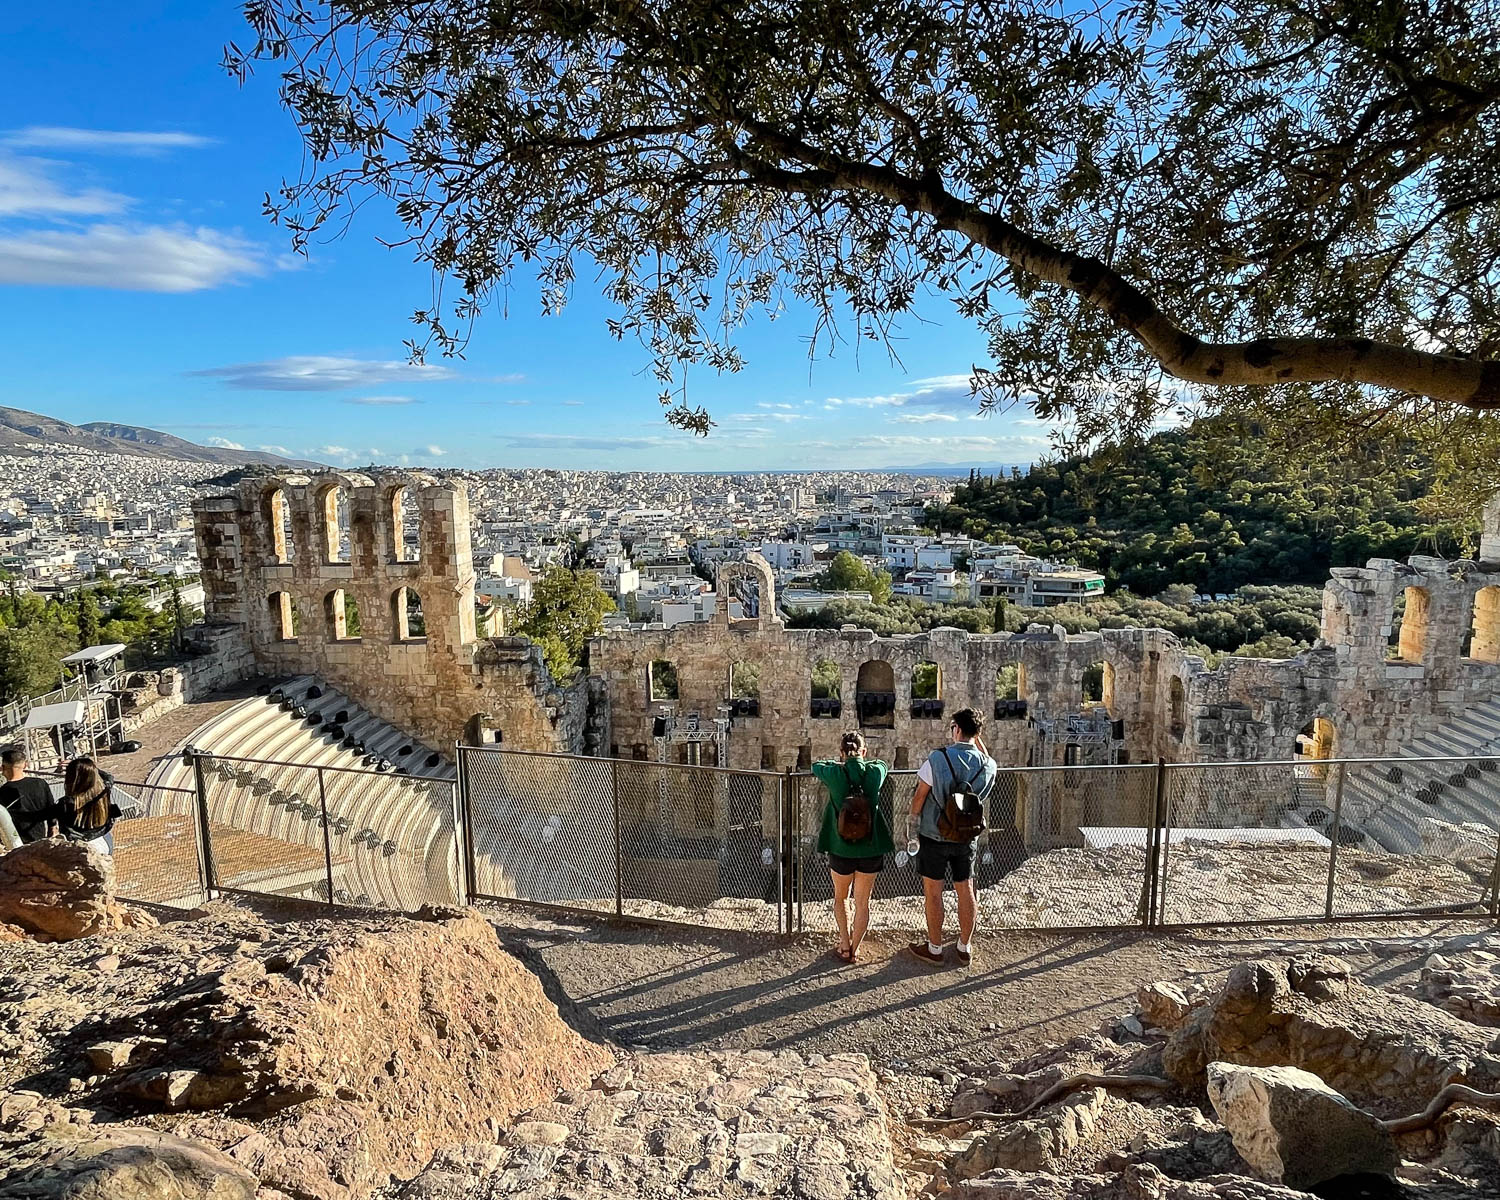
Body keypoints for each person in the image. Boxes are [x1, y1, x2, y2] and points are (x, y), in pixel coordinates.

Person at [908, 708, 996, 967]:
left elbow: (919, 797)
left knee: (933, 893)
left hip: (934, 835)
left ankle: (935, 948)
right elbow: (988, 760)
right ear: (978, 733)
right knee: (966, 890)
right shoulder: (988, 766)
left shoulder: (937, 759)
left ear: (956, 728)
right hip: (966, 837)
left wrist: (911, 829)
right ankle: (964, 947)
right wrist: (977, 738)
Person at [813, 731, 892, 963]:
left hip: (841, 848)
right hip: (870, 847)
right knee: (862, 903)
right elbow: (882, 764)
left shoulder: (835, 773)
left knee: (840, 898)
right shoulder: (875, 772)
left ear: (841, 753)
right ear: (864, 752)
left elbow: (817, 765)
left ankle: (845, 945)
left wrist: (838, 763)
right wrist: (862, 762)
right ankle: (856, 949)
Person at [49, 757, 121, 855]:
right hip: (104, 840)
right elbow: (109, 777)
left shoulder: (65, 804)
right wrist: (88, 768)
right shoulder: (103, 792)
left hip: (82, 848)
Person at [0, 744, 57, 844]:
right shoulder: (40, 783)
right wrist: (52, 827)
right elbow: (51, 808)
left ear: (2, 768)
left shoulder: (2, 792)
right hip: (40, 836)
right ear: (25, 765)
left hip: (17, 841)